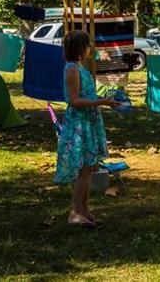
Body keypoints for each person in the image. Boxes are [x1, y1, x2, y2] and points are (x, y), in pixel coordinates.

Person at [54, 30, 120, 228]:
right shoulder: (72, 70)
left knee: (90, 168)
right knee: (84, 170)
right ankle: (75, 212)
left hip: (90, 121)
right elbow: (74, 101)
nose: (90, 48)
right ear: (80, 48)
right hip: (79, 124)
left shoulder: (81, 67)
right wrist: (102, 102)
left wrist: (104, 100)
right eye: (88, 45)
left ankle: (85, 210)